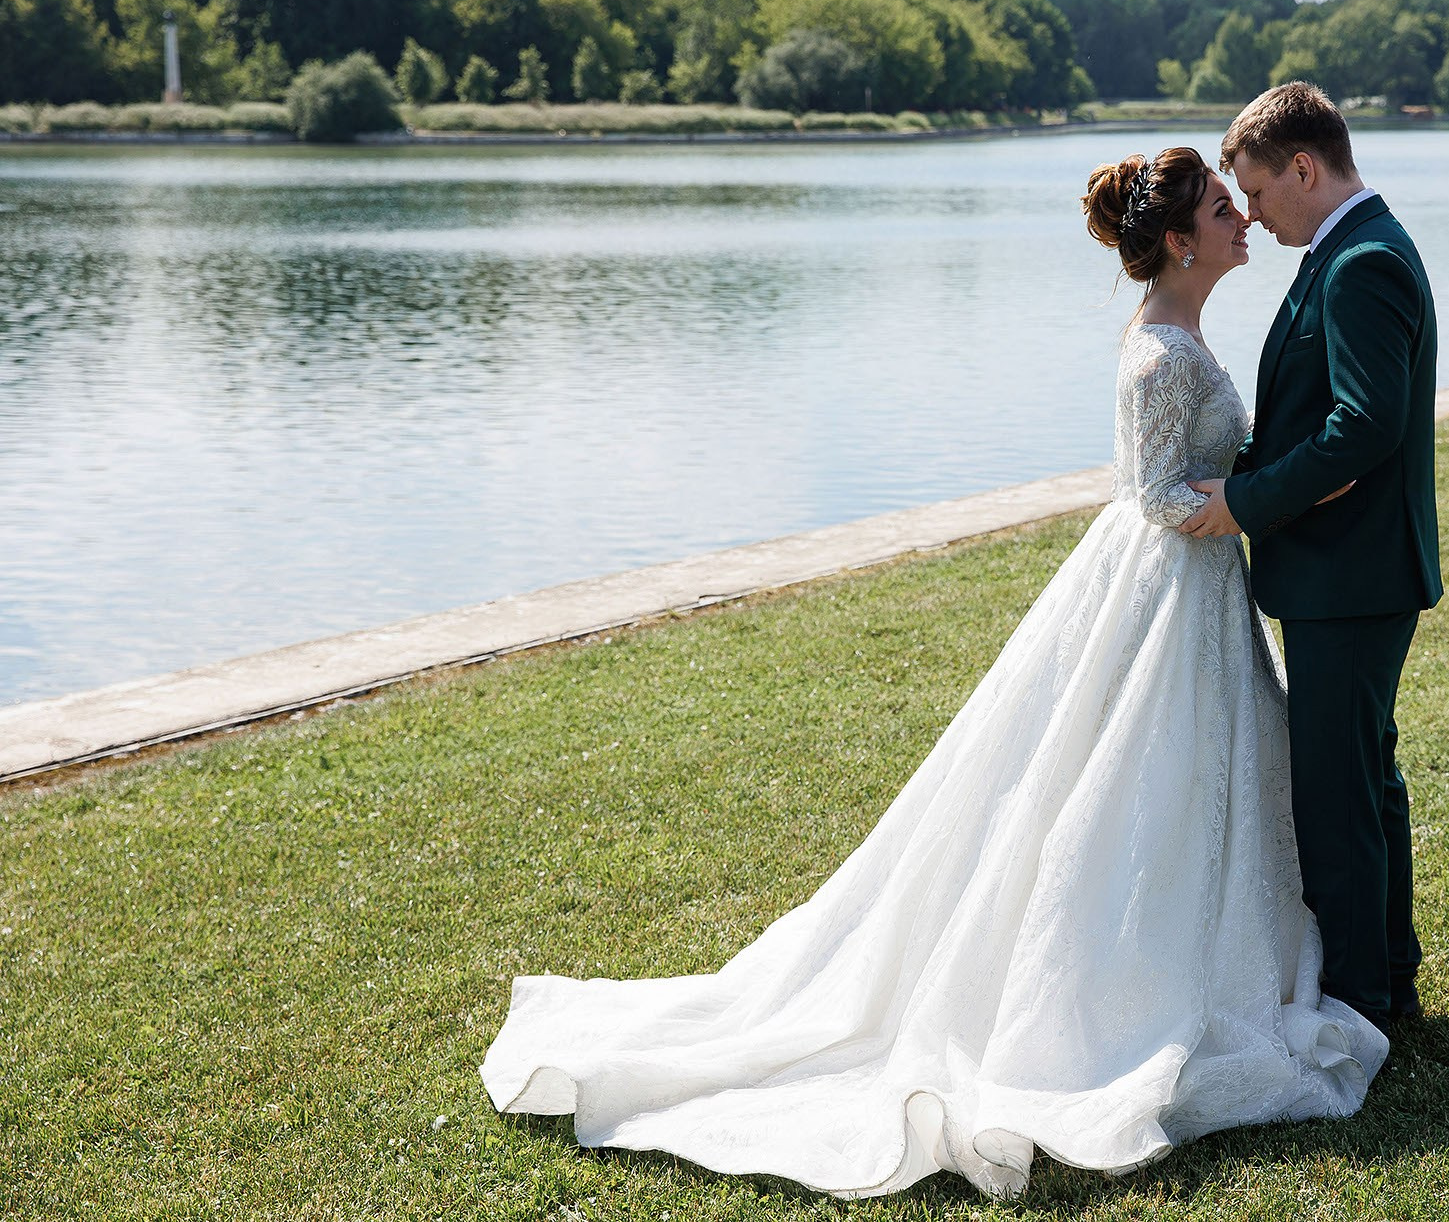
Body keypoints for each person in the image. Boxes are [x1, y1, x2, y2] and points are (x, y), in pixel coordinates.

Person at [479, 146, 1388, 1201]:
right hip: (1161, 582)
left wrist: (1273, 485)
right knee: (1137, 778)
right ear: (1181, 239)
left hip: (1193, 592)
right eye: (1223, 207)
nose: (1242, 219)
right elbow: (1153, 497)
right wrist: (1266, 498)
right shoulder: (1158, 357)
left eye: (1241, 202)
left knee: (1184, 780)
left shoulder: (1185, 333)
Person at [1178, 82, 1443, 1031]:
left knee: (1337, 796)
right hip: (1352, 573)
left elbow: (1363, 425)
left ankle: (1360, 1002)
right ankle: (1389, 980)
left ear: (1303, 167)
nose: (1249, 214)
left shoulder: (1363, 260)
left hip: (1352, 575)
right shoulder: (1350, 249)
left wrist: (1245, 502)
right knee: (1364, 779)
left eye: (1255, 192)